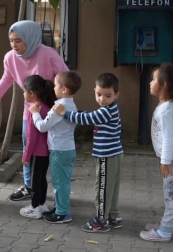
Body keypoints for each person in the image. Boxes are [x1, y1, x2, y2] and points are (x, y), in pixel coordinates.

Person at [0, 20, 69, 201]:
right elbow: (6, 79)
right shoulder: (10, 58)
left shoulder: (48, 54)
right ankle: (29, 185)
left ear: (30, 38)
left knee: (53, 150)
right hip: (30, 110)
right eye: (11, 40)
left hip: (53, 108)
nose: (14, 45)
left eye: (18, 40)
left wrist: (64, 103)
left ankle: (55, 189)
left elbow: (66, 77)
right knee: (29, 147)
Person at [53, 73, 123, 233]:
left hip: (107, 155)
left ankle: (101, 220)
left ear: (116, 95)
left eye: (108, 95)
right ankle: (114, 216)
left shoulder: (106, 111)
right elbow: (91, 116)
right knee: (112, 187)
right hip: (115, 153)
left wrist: (65, 113)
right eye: (99, 94)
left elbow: (87, 119)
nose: (102, 99)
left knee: (103, 188)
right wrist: (80, 112)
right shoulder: (109, 108)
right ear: (94, 91)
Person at [140, 63, 173, 242]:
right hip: (172, 158)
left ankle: (165, 231)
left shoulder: (167, 110)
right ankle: (168, 223)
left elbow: (170, 138)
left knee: (172, 194)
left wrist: (165, 161)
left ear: (164, 85)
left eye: (153, 79)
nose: (150, 82)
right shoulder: (167, 106)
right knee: (172, 192)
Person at [32, 71, 82, 224]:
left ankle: (62, 213)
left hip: (59, 150)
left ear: (64, 89)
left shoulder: (58, 107)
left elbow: (42, 126)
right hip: (66, 148)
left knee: (60, 183)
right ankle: (60, 208)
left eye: (56, 85)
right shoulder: (71, 105)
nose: (53, 88)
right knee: (63, 181)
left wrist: (35, 113)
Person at [20, 75, 56, 219]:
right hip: (47, 151)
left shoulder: (33, 109)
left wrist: (26, 156)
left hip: (37, 152)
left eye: (24, 91)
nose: (23, 94)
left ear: (32, 93)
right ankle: (41, 204)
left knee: (35, 181)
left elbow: (31, 136)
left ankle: (35, 208)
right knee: (41, 179)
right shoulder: (47, 107)